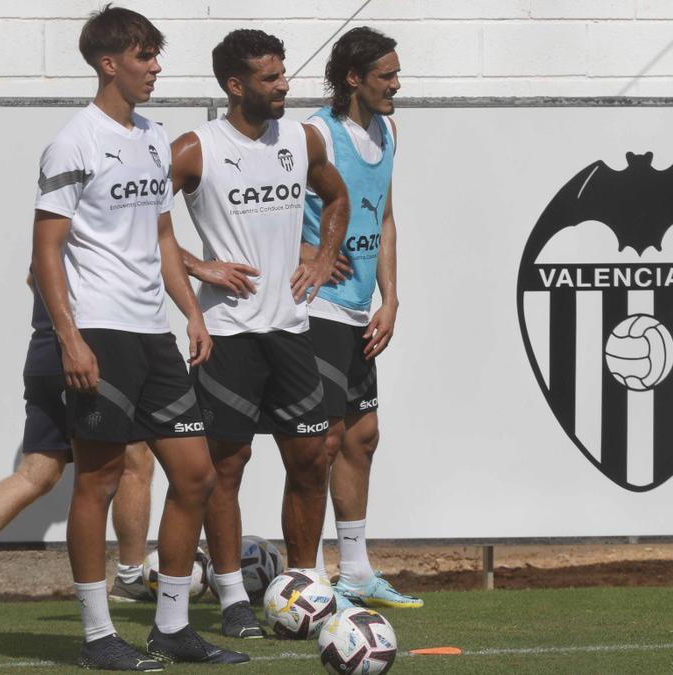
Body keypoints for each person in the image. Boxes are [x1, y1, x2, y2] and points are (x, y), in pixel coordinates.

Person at [31, 6, 246, 669]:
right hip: (99, 328)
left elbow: (161, 237)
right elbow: (45, 251)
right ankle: (98, 634)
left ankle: (173, 625)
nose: (156, 67)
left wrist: (193, 312)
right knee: (95, 482)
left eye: (156, 54)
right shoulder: (74, 140)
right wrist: (70, 339)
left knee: (196, 474)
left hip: (154, 334)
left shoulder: (155, 137)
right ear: (109, 64)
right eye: (144, 56)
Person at [171, 29, 351, 639]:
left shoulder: (301, 138)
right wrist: (199, 267)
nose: (284, 86)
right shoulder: (197, 148)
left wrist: (324, 259)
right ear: (235, 85)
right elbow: (141, 219)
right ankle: (230, 598)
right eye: (271, 78)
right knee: (227, 464)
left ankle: (307, 583)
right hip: (227, 333)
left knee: (311, 457)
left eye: (282, 75)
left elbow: (336, 197)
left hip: (291, 329)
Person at [0, 278, 155, 609]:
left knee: (38, 471)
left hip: (44, 355)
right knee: (135, 461)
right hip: (86, 354)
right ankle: (132, 577)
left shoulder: (51, 235)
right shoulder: (93, 232)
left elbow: (36, 277)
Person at [300, 27, 422, 610]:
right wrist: (307, 256)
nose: (396, 84)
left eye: (397, 74)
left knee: (362, 437)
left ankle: (355, 573)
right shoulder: (315, 134)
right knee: (320, 442)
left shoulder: (389, 130)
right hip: (315, 307)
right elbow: (267, 208)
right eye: (386, 76)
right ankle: (306, 580)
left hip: (358, 311)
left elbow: (388, 217)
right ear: (353, 78)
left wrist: (390, 298)